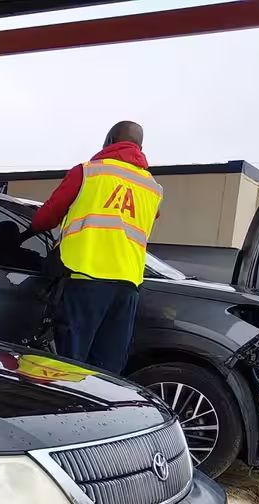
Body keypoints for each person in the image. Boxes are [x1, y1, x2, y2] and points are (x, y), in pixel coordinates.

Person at [31, 121, 162, 372]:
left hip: (85, 278)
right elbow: (149, 218)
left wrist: (29, 231)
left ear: (110, 142)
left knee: (67, 362)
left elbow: (45, 218)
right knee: (107, 368)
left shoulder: (88, 172)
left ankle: (66, 409)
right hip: (127, 286)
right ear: (140, 147)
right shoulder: (152, 189)